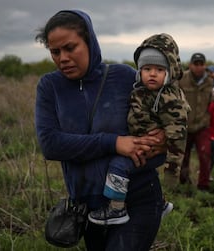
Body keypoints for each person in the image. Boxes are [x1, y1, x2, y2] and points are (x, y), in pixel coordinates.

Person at [35, 10, 167, 250]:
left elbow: (162, 129)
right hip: (88, 208)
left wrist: (161, 138)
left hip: (137, 198)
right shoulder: (49, 87)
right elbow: (50, 144)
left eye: (70, 47)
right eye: (55, 52)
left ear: (90, 42)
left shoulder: (125, 77)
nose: (63, 58)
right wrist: (114, 142)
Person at [88, 33, 190, 225]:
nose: (152, 74)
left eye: (159, 69)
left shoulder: (170, 99)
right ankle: (158, 203)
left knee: (119, 166)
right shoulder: (141, 90)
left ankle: (116, 209)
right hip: (140, 142)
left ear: (170, 71)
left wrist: (172, 169)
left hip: (152, 147)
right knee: (141, 173)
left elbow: (178, 135)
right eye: (147, 68)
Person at [178, 52, 214, 190]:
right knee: (183, 156)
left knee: (205, 154)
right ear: (191, 65)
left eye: (201, 64)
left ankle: (203, 185)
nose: (199, 67)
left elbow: (210, 101)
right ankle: (183, 181)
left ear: (205, 65)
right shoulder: (182, 79)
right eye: (196, 64)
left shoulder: (209, 81)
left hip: (202, 125)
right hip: (184, 125)